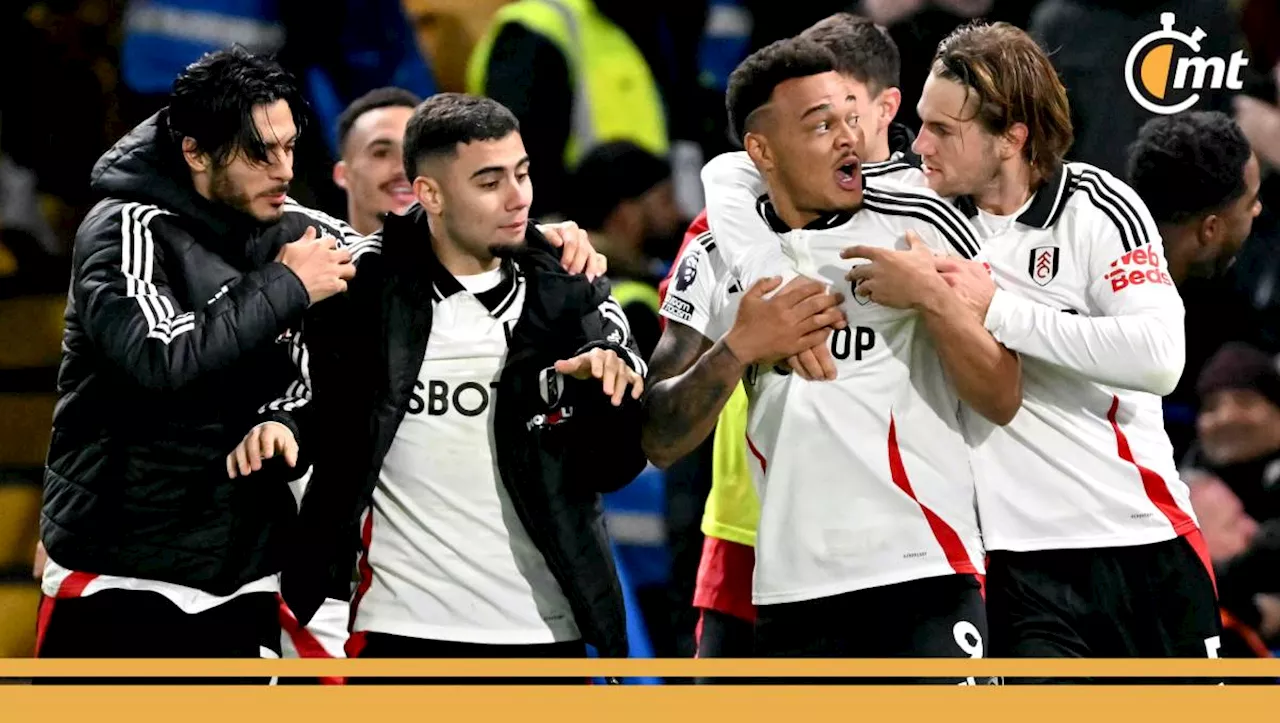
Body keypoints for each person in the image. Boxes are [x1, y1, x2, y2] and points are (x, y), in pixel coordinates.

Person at [711, 21, 1223, 674]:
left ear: (1011, 139)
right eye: (921, 122)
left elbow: (1159, 358)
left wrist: (994, 307)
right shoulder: (909, 203)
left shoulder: (1095, 208)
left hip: (1143, 539)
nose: (918, 145)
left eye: (944, 131)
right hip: (1017, 566)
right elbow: (730, 173)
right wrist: (766, 273)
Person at [232, 93, 646, 677]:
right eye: (488, 181)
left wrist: (601, 393)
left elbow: (616, 461)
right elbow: (307, 394)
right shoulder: (363, 291)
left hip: (548, 630)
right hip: (403, 630)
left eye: (522, 174)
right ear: (429, 193)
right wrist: (280, 420)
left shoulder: (568, 289)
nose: (517, 198)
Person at [648, 39, 1018, 676]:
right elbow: (658, 435)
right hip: (791, 594)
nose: (849, 139)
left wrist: (932, 297)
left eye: (851, 117)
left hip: (925, 572)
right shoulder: (715, 251)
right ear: (760, 151)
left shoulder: (920, 223)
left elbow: (1003, 392)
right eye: (821, 126)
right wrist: (742, 347)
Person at [35, 48, 358, 668]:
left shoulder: (295, 229)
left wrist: (539, 245)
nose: (285, 170)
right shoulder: (124, 228)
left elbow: (405, 263)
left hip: (244, 582)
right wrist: (285, 288)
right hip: (122, 579)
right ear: (195, 152)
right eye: (261, 152)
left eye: (290, 147)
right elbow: (160, 356)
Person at [466, 0, 669, 218]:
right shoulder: (538, 27)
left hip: (632, 230)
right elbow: (517, 144)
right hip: (570, 227)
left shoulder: (637, 22)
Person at [568, 141, 683, 360]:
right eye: (666, 200)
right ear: (626, 215)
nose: (678, 213)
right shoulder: (634, 308)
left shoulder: (561, 283)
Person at [332, 87, 422, 236]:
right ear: (343, 174)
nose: (403, 169)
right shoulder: (302, 258)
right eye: (382, 153)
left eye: (415, 152)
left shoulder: (471, 256)